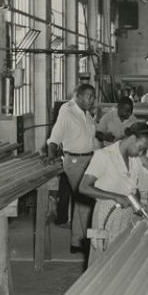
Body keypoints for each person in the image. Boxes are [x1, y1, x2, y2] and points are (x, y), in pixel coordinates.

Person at [79, 122, 148, 264]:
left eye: (144, 151)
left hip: (126, 213)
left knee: (120, 257)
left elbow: (145, 163)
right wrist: (115, 196)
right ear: (132, 138)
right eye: (140, 148)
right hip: (106, 214)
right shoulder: (104, 156)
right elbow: (84, 187)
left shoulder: (135, 156)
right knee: (101, 259)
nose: (140, 153)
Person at [46, 84, 98, 253]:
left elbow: (89, 137)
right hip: (74, 161)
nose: (91, 100)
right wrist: (51, 156)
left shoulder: (87, 114)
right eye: (88, 97)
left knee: (82, 201)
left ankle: (77, 241)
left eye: (93, 97)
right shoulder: (67, 112)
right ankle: (85, 241)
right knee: (87, 198)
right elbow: (54, 138)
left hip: (89, 159)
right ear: (79, 96)